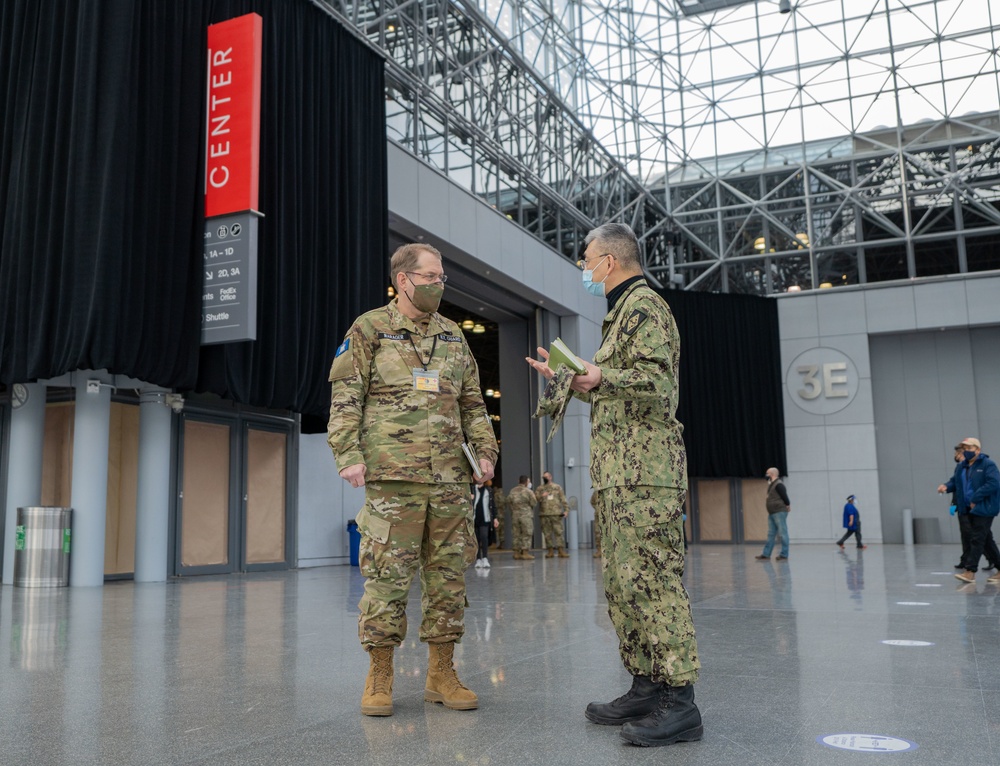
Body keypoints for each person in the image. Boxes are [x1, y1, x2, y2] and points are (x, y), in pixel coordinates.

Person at [527, 222, 702, 748]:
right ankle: (647, 684)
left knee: (654, 582)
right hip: (620, 475)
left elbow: (657, 383)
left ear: (610, 260)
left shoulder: (646, 306)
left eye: (586, 258)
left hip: (648, 475)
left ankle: (680, 700)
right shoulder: (619, 314)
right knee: (625, 585)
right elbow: (613, 391)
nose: (583, 267)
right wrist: (569, 379)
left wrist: (600, 376)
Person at [327, 242, 498, 717]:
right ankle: (379, 674)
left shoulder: (453, 337)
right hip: (392, 480)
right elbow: (346, 397)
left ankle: (442, 673)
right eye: (431, 277)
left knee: (448, 582)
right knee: (386, 580)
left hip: (449, 482)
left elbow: (472, 405)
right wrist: (348, 454)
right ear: (404, 280)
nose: (439, 285)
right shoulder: (370, 329)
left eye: (442, 277)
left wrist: (485, 452)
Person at [937, 437, 1000, 584]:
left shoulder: (988, 465)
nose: (966, 451)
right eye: (964, 449)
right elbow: (954, 481)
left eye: (969, 448)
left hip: (984, 508)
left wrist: (975, 498)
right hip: (967, 509)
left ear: (978, 450)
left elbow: (994, 483)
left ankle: (970, 571)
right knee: (986, 541)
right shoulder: (962, 466)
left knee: (977, 538)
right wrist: (946, 486)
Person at [755, 468, 791, 561]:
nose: (766, 475)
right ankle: (766, 554)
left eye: (767, 473)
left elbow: (785, 497)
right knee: (771, 534)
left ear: (771, 474)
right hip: (772, 512)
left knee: (783, 533)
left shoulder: (778, 484)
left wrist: (787, 505)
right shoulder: (772, 484)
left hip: (779, 511)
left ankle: (784, 554)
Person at [536, 471, 571, 558]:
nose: (545, 478)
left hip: (556, 514)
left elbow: (563, 499)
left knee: (559, 532)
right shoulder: (540, 489)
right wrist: (541, 496)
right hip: (544, 514)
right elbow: (535, 499)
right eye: (544, 477)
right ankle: (550, 551)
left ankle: (560, 551)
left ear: (550, 477)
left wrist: (566, 510)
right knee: (547, 534)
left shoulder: (557, 487)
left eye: (546, 477)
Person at [508, 475, 537, 560]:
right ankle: (525, 552)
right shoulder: (528, 491)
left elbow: (509, 502)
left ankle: (516, 553)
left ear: (519, 481)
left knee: (516, 533)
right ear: (527, 481)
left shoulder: (512, 491)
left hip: (515, 515)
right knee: (527, 533)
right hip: (526, 515)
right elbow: (534, 503)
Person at [473, 480, 499, 568]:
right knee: (476, 539)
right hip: (474, 518)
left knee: (484, 537)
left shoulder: (488, 490)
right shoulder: (472, 489)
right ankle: (478, 559)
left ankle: (485, 557)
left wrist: (495, 518)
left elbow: (492, 505)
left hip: (485, 518)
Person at [591, 489, 602, 558]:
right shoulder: (596, 492)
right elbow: (592, 502)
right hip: (598, 516)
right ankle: (599, 550)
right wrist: (597, 508)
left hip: (608, 515)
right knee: (597, 533)